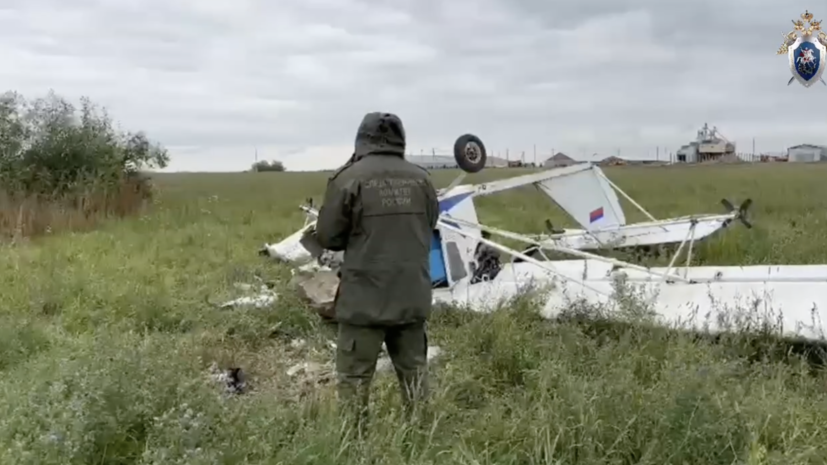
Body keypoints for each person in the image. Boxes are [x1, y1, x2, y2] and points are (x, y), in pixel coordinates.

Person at [307, 112, 439, 433]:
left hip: (363, 301)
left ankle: (353, 445)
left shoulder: (348, 178)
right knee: (414, 377)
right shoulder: (421, 179)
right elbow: (430, 223)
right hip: (411, 297)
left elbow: (328, 237)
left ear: (362, 139)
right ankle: (420, 440)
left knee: (354, 381)